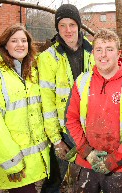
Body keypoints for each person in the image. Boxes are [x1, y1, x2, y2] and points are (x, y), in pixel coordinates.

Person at [65, 28, 122, 193]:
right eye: (99, 50)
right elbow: (71, 120)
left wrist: (114, 160)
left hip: (120, 167)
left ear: (118, 53)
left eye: (109, 49)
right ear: (93, 53)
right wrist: (87, 152)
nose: (103, 55)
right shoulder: (82, 82)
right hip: (86, 163)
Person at [0, 24, 50, 193]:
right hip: (12, 162)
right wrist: (11, 161)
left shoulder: (31, 73)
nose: (20, 44)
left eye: (24, 40)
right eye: (14, 40)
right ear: (4, 44)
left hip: (33, 161)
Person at [37, 4, 94, 193]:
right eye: (62, 25)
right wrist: (56, 139)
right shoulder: (48, 58)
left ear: (79, 25)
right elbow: (47, 102)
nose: (68, 30)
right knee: (55, 181)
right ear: (57, 28)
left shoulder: (94, 53)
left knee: (88, 179)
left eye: (72, 24)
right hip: (63, 132)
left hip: (89, 130)